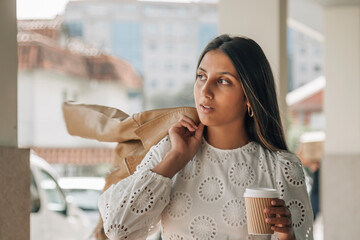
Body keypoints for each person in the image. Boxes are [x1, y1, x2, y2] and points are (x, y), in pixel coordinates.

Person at [98, 34, 314, 240]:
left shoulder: (280, 167)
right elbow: (118, 229)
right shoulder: (170, 150)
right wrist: (176, 159)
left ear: (249, 96)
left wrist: (288, 235)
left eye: (223, 81)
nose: (205, 91)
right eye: (201, 76)